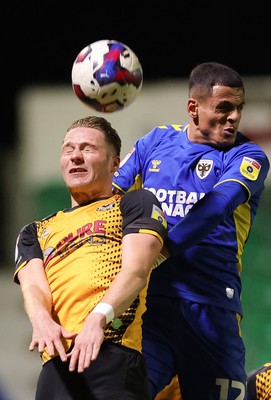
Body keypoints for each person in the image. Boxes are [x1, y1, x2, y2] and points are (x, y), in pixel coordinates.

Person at [112, 62, 270, 399]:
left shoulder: (248, 155)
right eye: (224, 108)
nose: (234, 117)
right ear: (193, 108)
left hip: (212, 307)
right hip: (152, 308)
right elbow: (110, 200)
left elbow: (216, 206)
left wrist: (159, 254)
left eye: (239, 108)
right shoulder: (155, 142)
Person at [13, 115, 168, 400]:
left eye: (87, 148)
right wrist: (41, 320)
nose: (75, 156)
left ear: (114, 163)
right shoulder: (34, 232)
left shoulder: (134, 204)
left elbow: (136, 271)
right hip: (55, 367)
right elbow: (33, 286)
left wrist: (98, 319)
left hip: (113, 352)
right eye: (68, 149)